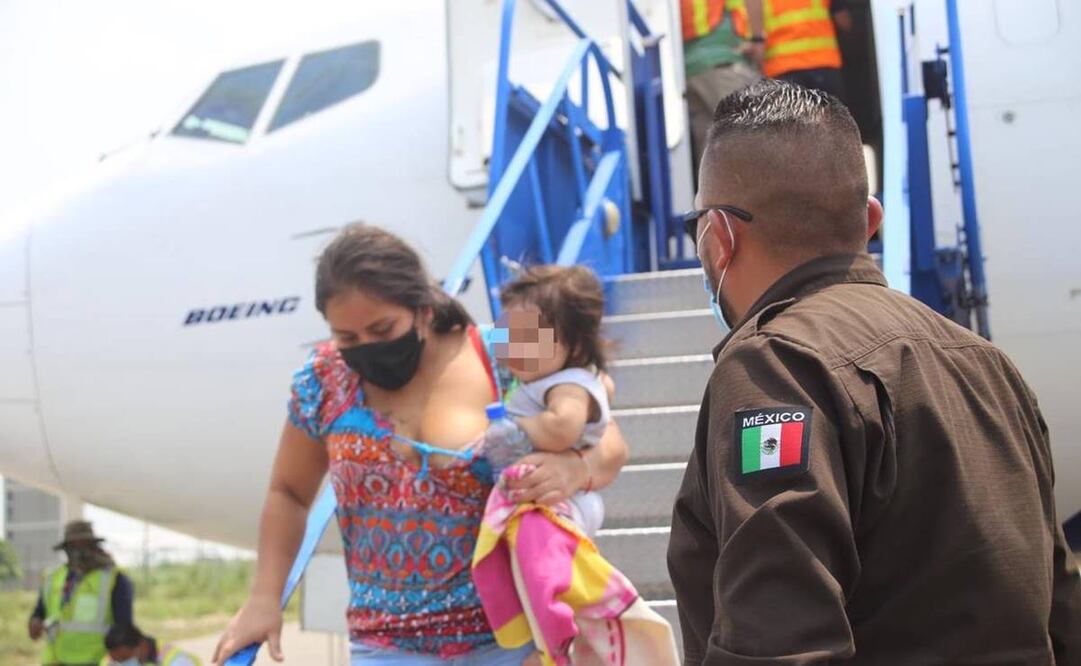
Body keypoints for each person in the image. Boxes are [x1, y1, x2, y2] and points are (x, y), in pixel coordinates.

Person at [667, 79, 1081, 664]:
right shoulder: (990, 366)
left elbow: (778, 640)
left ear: (719, 237)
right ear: (871, 221)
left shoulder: (775, 366)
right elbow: (1060, 608)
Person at [212, 223, 629, 665]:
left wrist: (575, 470)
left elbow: (608, 437)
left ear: (424, 308)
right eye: (347, 338)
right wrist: (264, 598)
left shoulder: (501, 353)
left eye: (383, 327)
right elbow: (289, 493)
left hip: (514, 640)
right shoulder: (324, 380)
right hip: (387, 647)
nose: (365, 348)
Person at [483, 265, 610, 537]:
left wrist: (507, 426)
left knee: (542, 555)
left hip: (563, 499)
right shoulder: (538, 381)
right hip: (547, 496)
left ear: (575, 345)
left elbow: (563, 426)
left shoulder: (568, 385)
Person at [28, 520, 134, 666]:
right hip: (55, 661)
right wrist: (35, 621)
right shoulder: (53, 578)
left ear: (94, 546)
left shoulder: (114, 580)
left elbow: (124, 629)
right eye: (72, 546)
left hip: (94, 661)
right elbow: (40, 612)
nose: (78, 552)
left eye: (83, 545)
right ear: (65, 549)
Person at [680, 0, 761, 174]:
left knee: (710, 153)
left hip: (691, 67)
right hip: (725, 61)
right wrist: (758, 39)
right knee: (751, 142)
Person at [746, 0, 846, 99]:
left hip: (782, 65)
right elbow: (842, 19)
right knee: (828, 112)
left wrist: (757, 40)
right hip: (822, 62)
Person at [102, 624, 200, 665]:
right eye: (116, 660)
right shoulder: (112, 659)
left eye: (125, 659)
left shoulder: (176, 662)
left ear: (142, 646)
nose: (121, 664)